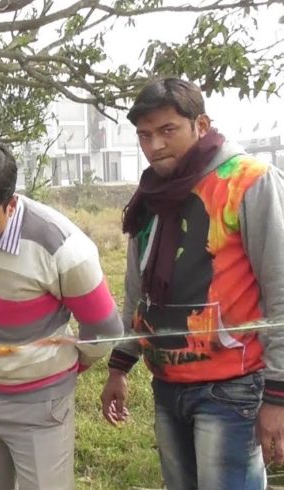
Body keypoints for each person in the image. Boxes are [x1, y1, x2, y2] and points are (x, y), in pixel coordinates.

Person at [100, 77, 284, 490]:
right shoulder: (150, 195)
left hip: (232, 386)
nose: (155, 146)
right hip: (167, 383)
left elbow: (281, 289)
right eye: (144, 135)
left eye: (168, 130)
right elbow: (137, 289)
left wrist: (278, 395)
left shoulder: (249, 181)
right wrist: (120, 364)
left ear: (201, 125)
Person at [0, 138, 123, 490]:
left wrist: (66, 367)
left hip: (40, 406)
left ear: (10, 205)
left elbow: (104, 328)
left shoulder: (63, 249)